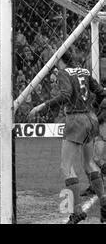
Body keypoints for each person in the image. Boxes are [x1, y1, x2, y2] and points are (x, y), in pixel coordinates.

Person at [29, 50, 106, 224]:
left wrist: (42, 106)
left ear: (59, 60)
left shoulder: (64, 73)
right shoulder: (84, 71)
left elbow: (65, 95)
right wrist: (93, 106)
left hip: (75, 119)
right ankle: (104, 201)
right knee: (89, 163)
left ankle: (76, 211)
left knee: (66, 166)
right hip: (90, 118)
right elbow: (101, 93)